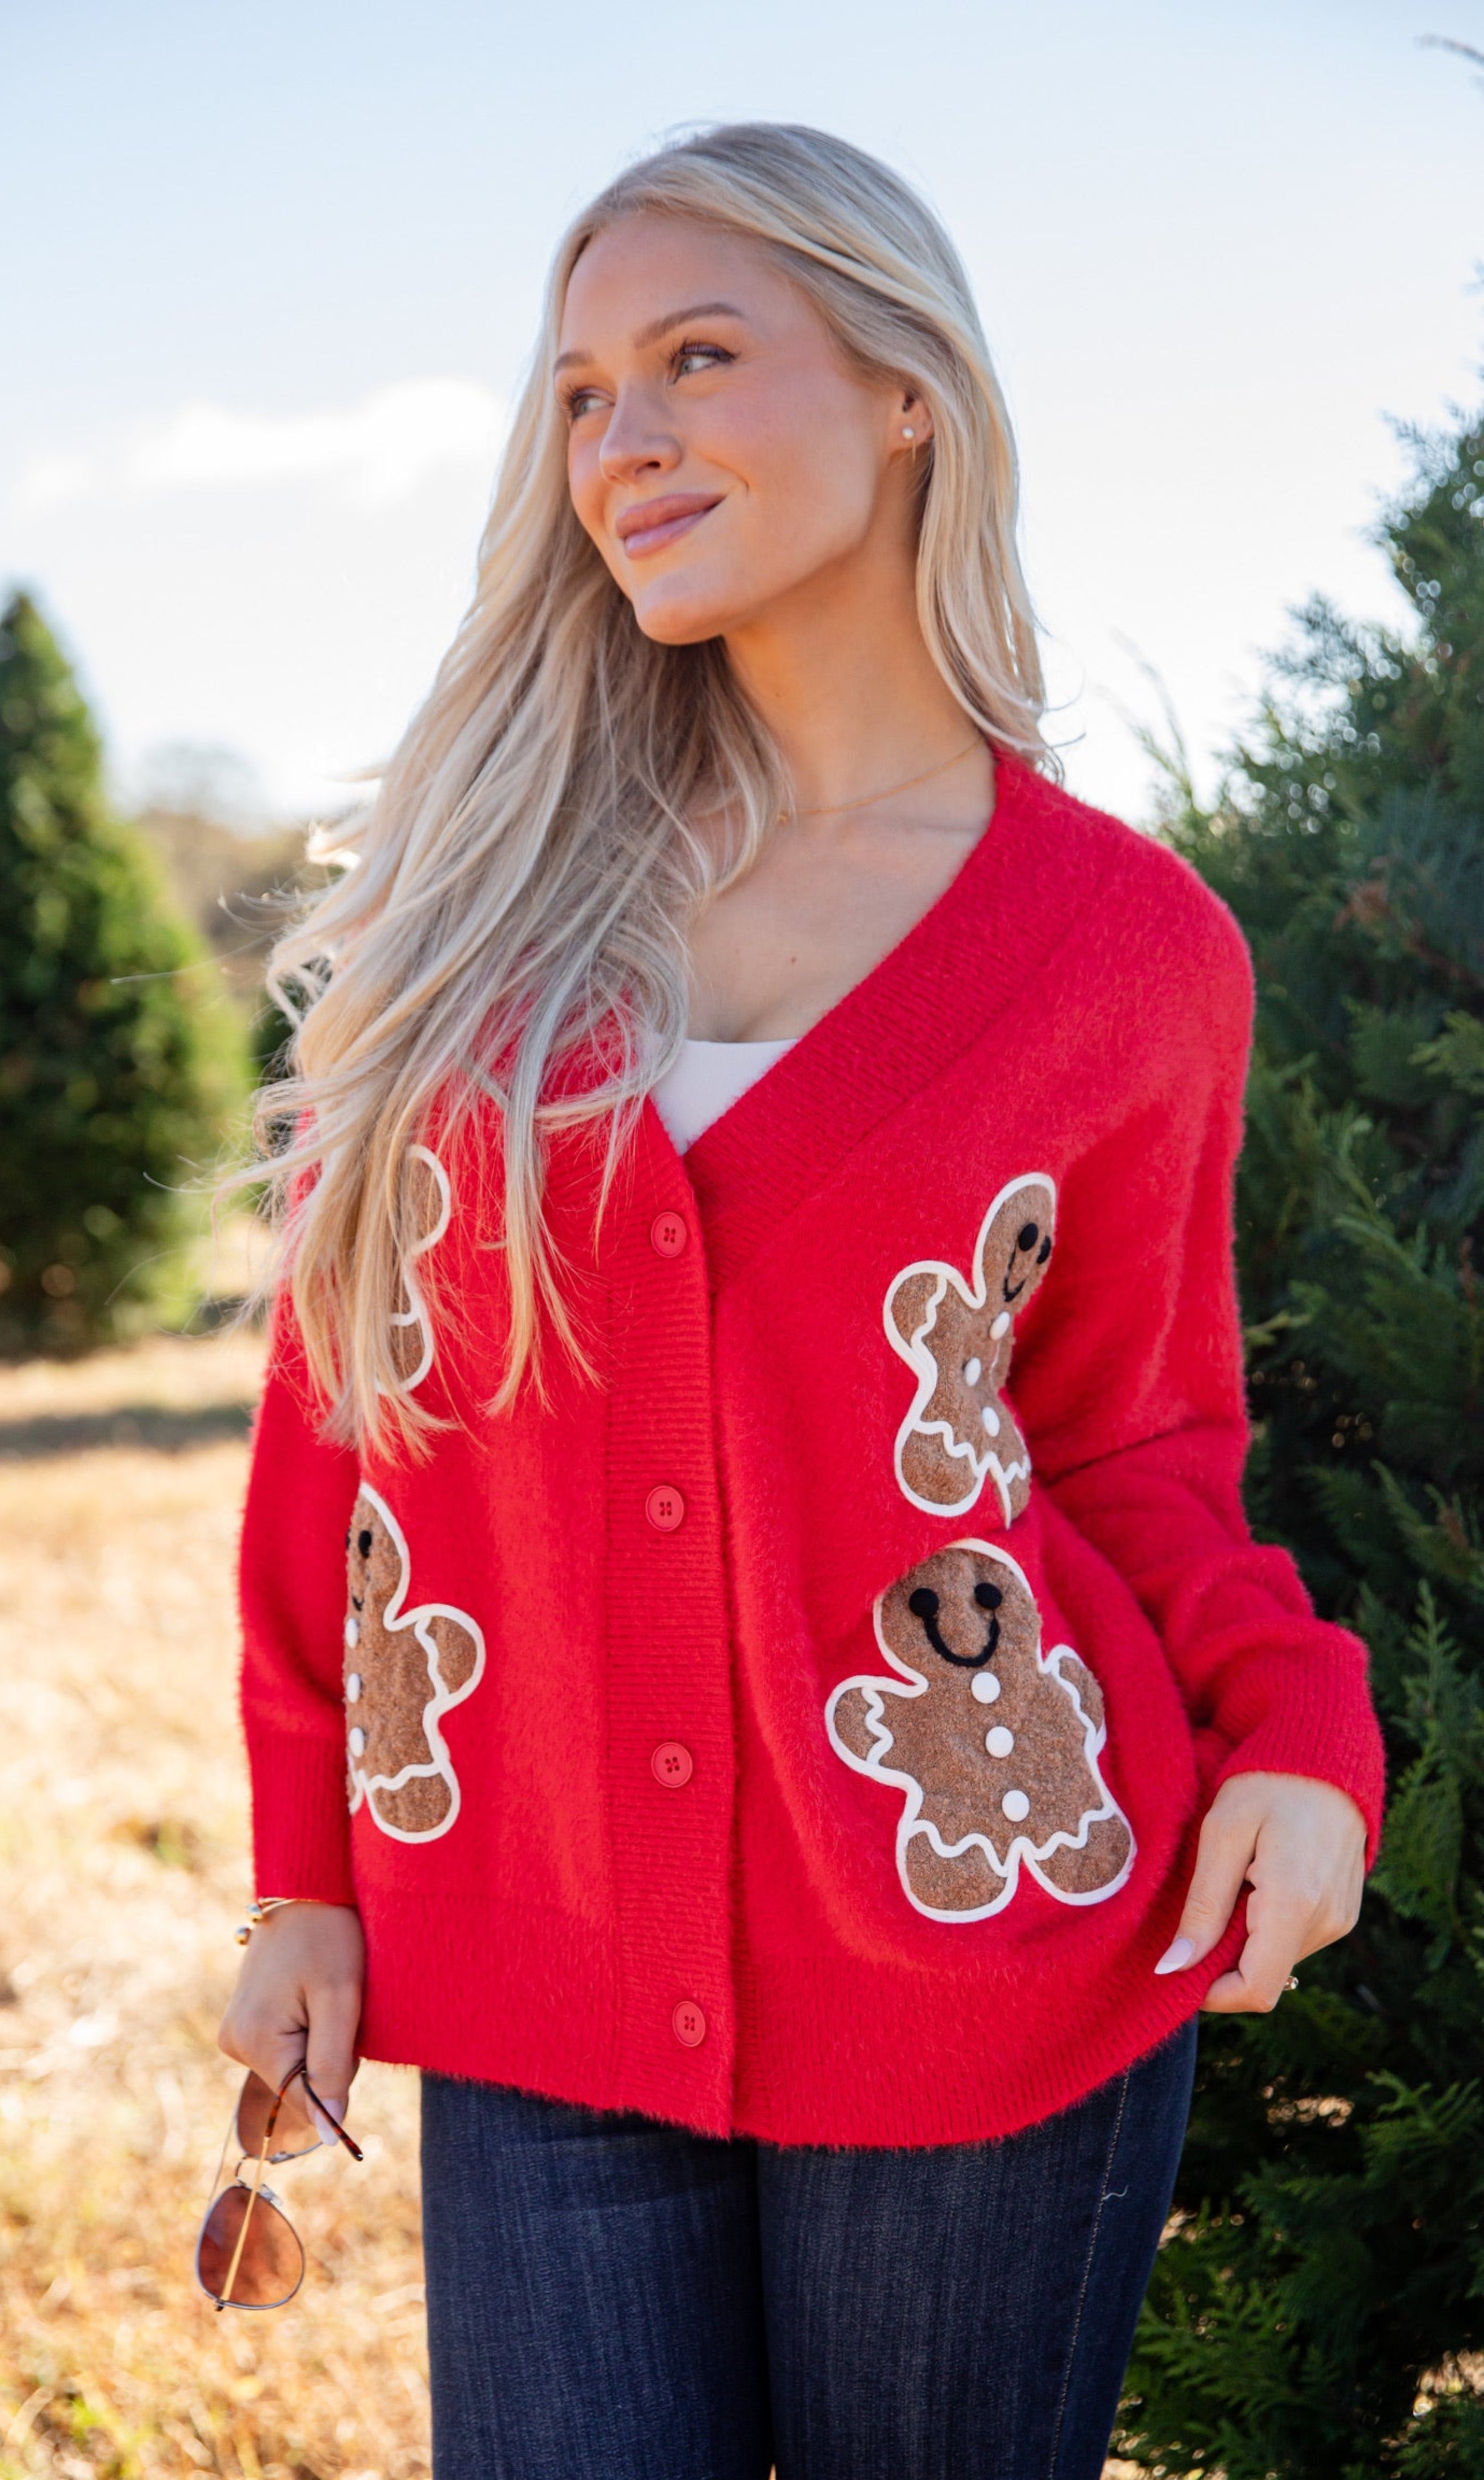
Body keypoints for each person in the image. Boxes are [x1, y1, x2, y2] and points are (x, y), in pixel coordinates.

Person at [218, 122, 1381, 2479]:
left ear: (907, 389)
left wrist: (1293, 1731)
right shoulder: (480, 904)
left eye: (693, 360)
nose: (617, 444)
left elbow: (1135, 1442)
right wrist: (302, 1869)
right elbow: (343, 1417)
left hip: (984, 1959)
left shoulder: (1124, 951)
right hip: (532, 1946)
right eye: (574, 397)